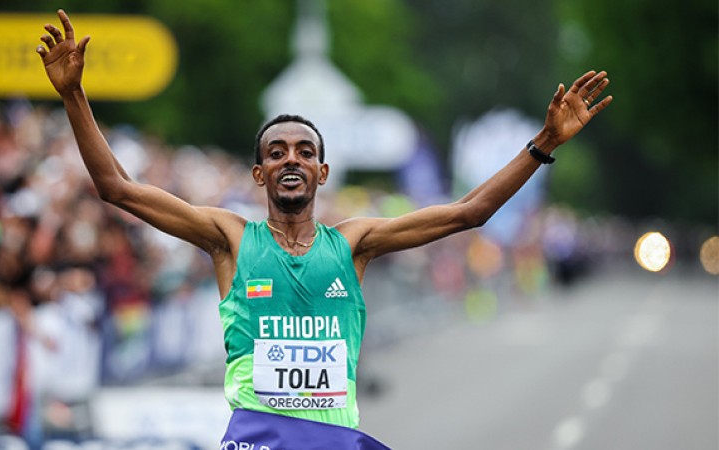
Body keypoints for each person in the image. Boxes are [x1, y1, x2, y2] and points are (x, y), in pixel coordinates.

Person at [36, 9, 612, 449]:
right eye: (278, 151)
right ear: (260, 173)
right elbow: (117, 187)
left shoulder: (355, 242)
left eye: (305, 151)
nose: (292, 158)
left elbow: (469, 213)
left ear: (322, 170)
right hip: (257, 437)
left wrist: (544, 145)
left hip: (333, 440)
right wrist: (73, 95)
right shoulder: (229, 238)